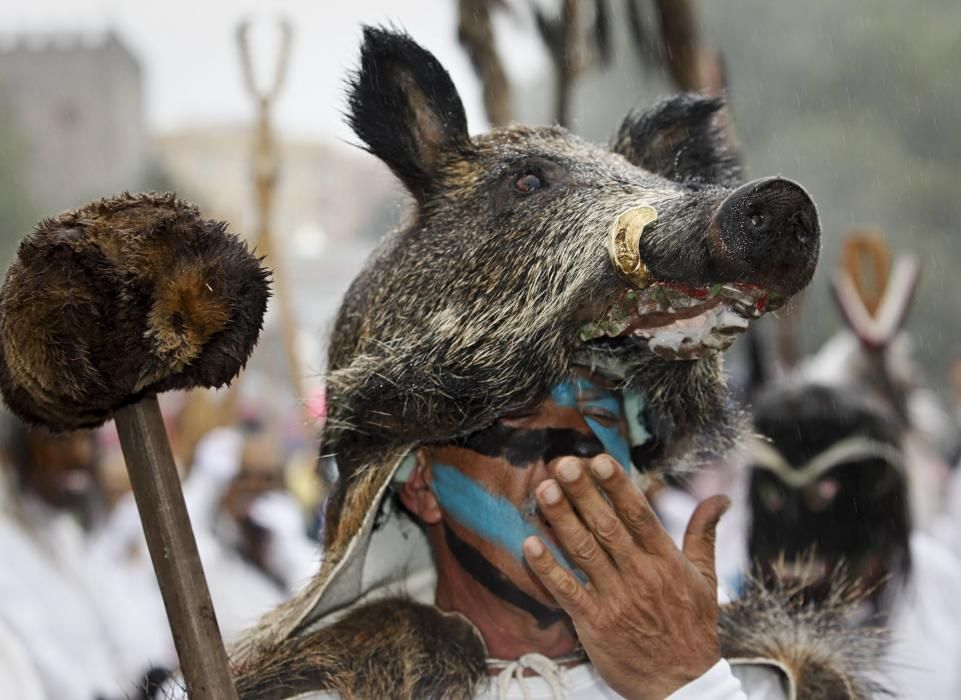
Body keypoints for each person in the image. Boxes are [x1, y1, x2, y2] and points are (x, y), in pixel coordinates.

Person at [0, 416, 172, 700]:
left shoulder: (68, 534)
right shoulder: (6, 543)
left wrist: (154, 678)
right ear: (19, 453)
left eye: (86, 439)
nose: (80, 455)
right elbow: (43, 658)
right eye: (60, 441)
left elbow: (118, 620)